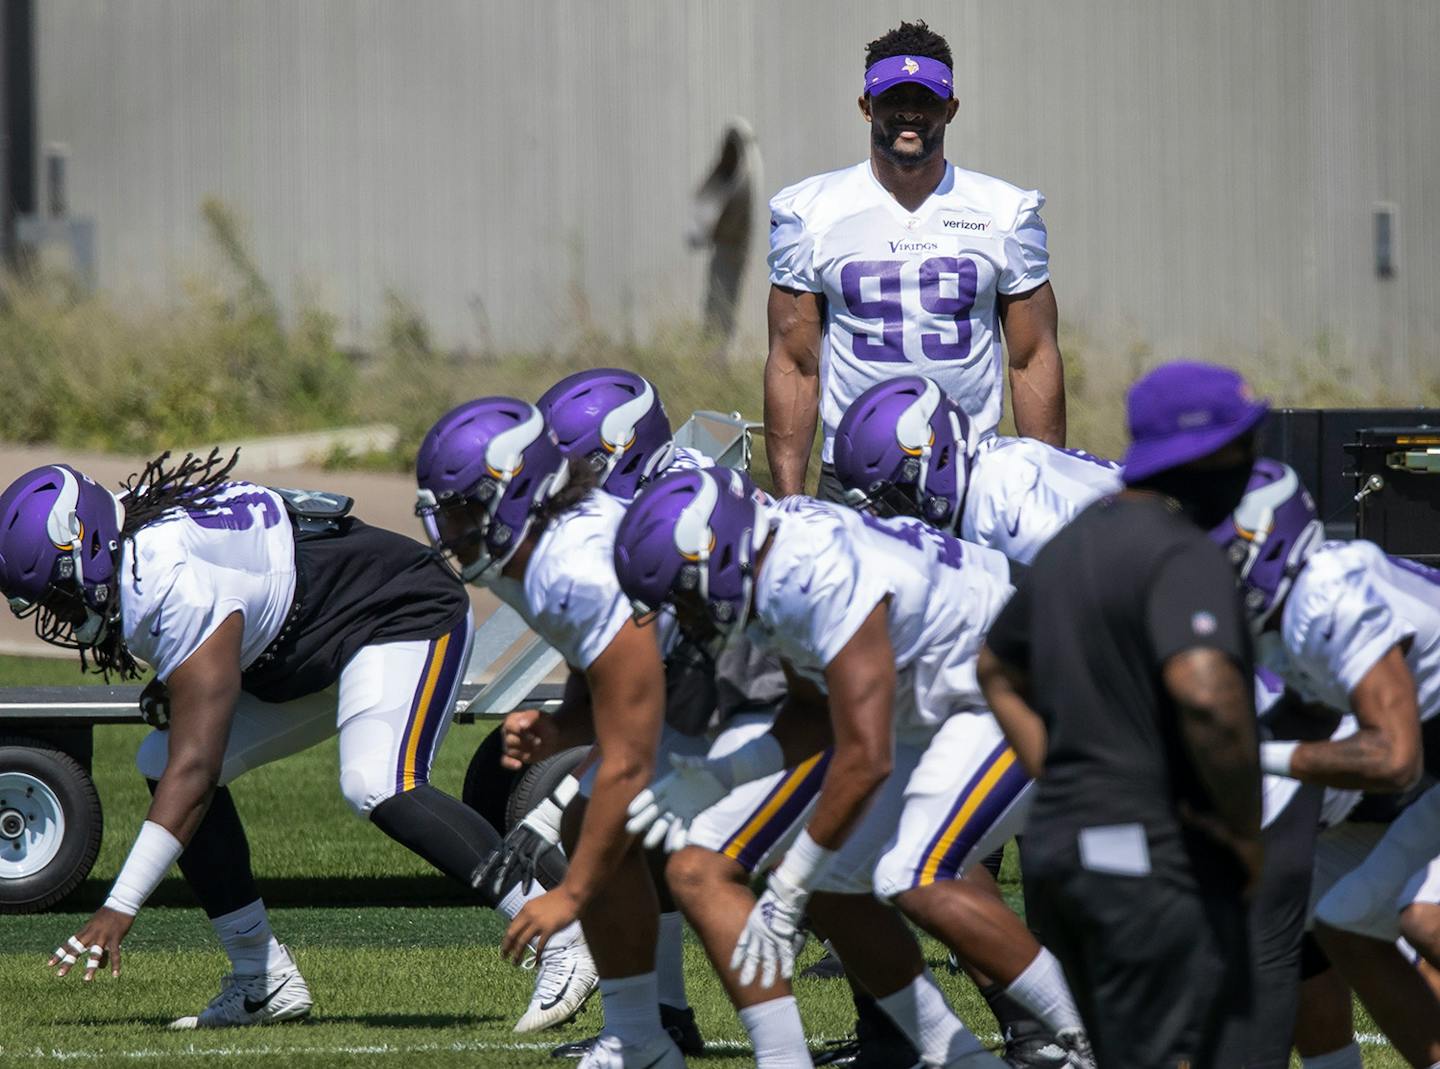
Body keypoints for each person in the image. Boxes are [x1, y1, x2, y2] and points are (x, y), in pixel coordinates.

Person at [0, 450, 592, 1031]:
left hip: (399, 613)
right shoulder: (138, 538)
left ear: (90, 543)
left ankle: (557, 928)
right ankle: (262, 978)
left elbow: (197, 770)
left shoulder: (168, 580)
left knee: (378, 782)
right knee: (158, 756)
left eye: (59, 590)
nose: (61, 610)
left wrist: (117, 908)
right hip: (311, 641)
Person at [616, 466, 1096, 1069]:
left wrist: (786, 892)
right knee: (833, 886)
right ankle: (967, 1062)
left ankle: (1096, 1040)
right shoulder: (771, 563)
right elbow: (815, 717)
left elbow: (866, 757)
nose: (687, 618)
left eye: (684, 595)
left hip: (1029, 678)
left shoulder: (808, 573)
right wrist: (724, 775)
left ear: (714, 552)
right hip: (953, 697)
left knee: (916, 873)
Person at [978, 361, 1267, 1068]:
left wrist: (1061, 770)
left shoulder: (1070, 544)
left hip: (1059, 857)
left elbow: (995, 666)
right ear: (1201, 453)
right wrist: (1241, 829)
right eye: (1240, 445)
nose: (1251, 461)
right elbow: (1208, 697)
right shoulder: (1180, 551)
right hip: (1148, 858)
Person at [415, 396, 703, 1069]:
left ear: (511, 491)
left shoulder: (573, 562)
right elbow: (600, 680)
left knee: (715, 871)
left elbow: (633, 743)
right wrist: (560, 726)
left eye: (459, 508)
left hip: (773, 675)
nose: (447, 528)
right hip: (706, 675)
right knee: (619, 833)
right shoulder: (539, 549)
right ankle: (645, 1036)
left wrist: (569, 895)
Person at [764, 19, 1065, 503]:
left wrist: (1044, 492)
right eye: (893, 99)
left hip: (971, 473)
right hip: (853, 476)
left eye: (925, 99)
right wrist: (789, 503)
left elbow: (1033, 358)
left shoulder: (1005, 212)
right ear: (866, 107)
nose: (910, 113)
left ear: (950, 108)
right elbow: (794, 364)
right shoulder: (810, 211)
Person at [1211, 458, 1440, 1067]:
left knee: (1421, 916)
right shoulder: (1284, 614)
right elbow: (1299, 726)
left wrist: (1253, 757)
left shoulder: (1328, 593)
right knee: (1344, 922)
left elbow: (1393, 758)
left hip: (1422, 764)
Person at [832, 374, 1119, 564]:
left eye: (893, 505)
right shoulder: (994, 472)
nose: (892, 525)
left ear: (935, 459)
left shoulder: (1004, 504)